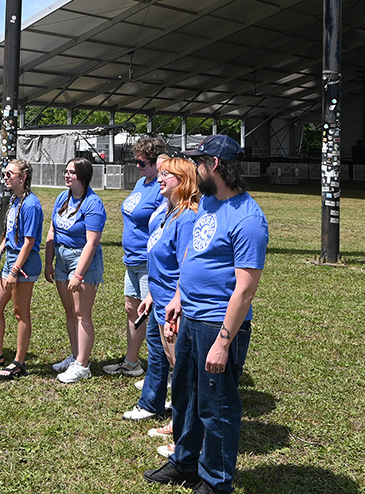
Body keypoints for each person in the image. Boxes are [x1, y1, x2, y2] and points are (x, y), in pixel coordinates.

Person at [144, 135, 268, 494]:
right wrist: (179, 297)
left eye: (199, 163)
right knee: (184, 394)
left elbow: (245, 289)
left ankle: (215, 481)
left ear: (214, 165)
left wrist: (224, 342)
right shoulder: (210, 204)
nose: (194, 170)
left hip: (218, 323)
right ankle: (184, 462)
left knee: (216, 406)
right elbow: (194, 257)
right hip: (190, 316)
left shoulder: (248, 218)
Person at [126, 156, 200, 447]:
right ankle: (177, 422)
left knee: (183, 369)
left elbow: (186, 266)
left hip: (175, 303)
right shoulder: (169, 211)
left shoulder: (187, 217)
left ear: (182, 181)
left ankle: (184, 431)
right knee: (174, 364)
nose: (160, 178)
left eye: (167, 175)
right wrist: (150, 295)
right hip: (161, 297)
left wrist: (176, 302)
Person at [106, 136, 167, 377]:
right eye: (137, 161)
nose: (139, 166)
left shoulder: (162, 187)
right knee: (132, 310)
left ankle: (162, 370)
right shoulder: (142, 182)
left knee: (152, 318)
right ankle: (132, 363)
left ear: (158, 162)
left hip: (148, 262)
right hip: (131, 260)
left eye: (143, 162)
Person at [0, 158, 43, 380]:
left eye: (9, 174)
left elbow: (28, 242)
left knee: (20, 312)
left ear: (22, 177)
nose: (5, 177)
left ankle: (19, 362)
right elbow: (9, 233)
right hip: (11, 260)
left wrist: (15, 270)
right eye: (4, 173)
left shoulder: (31, 204)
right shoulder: (14, 200)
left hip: (24, 264)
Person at [44, 157, 107, 384]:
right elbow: (52, 231)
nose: (66, 175)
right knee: (70, 312)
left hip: (82, 261)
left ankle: (82, 365)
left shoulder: (93, 203)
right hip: (61, 258)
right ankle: (75, 356)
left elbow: (91, 242)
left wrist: (78, 275)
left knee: (82, 314)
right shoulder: (63, 197)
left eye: (71, 172)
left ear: (83, 176)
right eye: (66, 171)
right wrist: (49, 261)